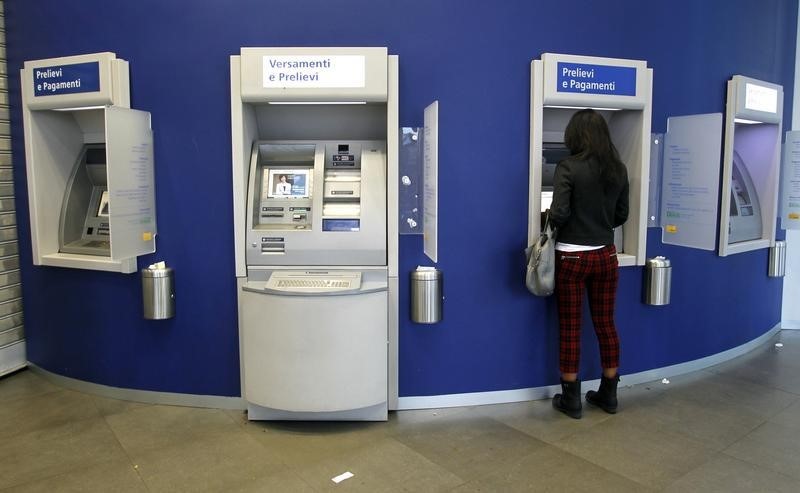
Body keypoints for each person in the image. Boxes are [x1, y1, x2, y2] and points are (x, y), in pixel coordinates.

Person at [548, 109, 629, 419]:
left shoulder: (568, 167)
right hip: (606, 256)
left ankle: (571, 398)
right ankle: (609, 393)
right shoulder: (617, 169)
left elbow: (559, 213)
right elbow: (622, 215)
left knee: (571, 328)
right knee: (606, 324)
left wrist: (551, 222)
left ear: (574, 135)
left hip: (571, 257)